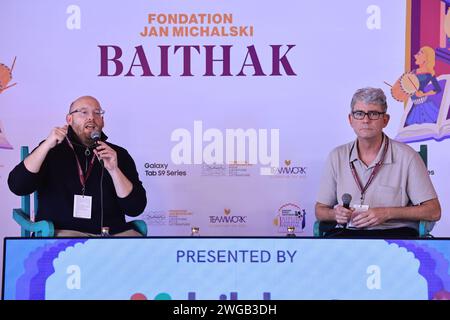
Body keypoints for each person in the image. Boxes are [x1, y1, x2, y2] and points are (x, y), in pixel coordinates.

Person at [8, 96, 147, 237]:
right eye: (83, 112)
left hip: (110, 236)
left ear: (102, 121)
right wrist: (46, 145)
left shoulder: (118, 155)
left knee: (139, 247)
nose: (91, 117)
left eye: (97, 113)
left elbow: (135, 208)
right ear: (69, 120)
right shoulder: (50, 149)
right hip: (63, 234)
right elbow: (18, 186)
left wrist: (114, 170)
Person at [315, 87, 441, 238]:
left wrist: (387, 213)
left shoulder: (408, 156)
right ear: (351, 120)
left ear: (385, 120)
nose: (366, 120)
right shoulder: (337, 156)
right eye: (359, 114)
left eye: (373, 114)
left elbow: (433, 211)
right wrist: (335, 214)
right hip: (348, 235)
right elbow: (320, 210)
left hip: (394, 235)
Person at [405, 46, 442, 126]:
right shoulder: (412, 72)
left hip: (425, 105)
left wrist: (424, 94)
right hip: (414, 106)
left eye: (419, 54)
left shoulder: (429, 73)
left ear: (426, 58)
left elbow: (438, 89)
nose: (415, 56)